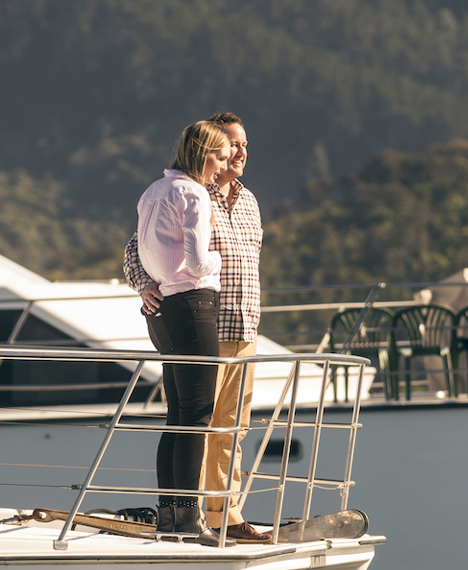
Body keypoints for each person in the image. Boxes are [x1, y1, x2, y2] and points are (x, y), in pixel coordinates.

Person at [125, 113, 270, 543]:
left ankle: (227, 512)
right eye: (231, 145)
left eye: (243, 144)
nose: (239, 152)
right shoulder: (189, 192)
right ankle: (194, 514)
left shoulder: (248, 200)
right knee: (196, 418)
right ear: (211, 150)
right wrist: (145, 285)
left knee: (233, 428)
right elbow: (136, 248)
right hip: (203, 321)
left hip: (244, 325)